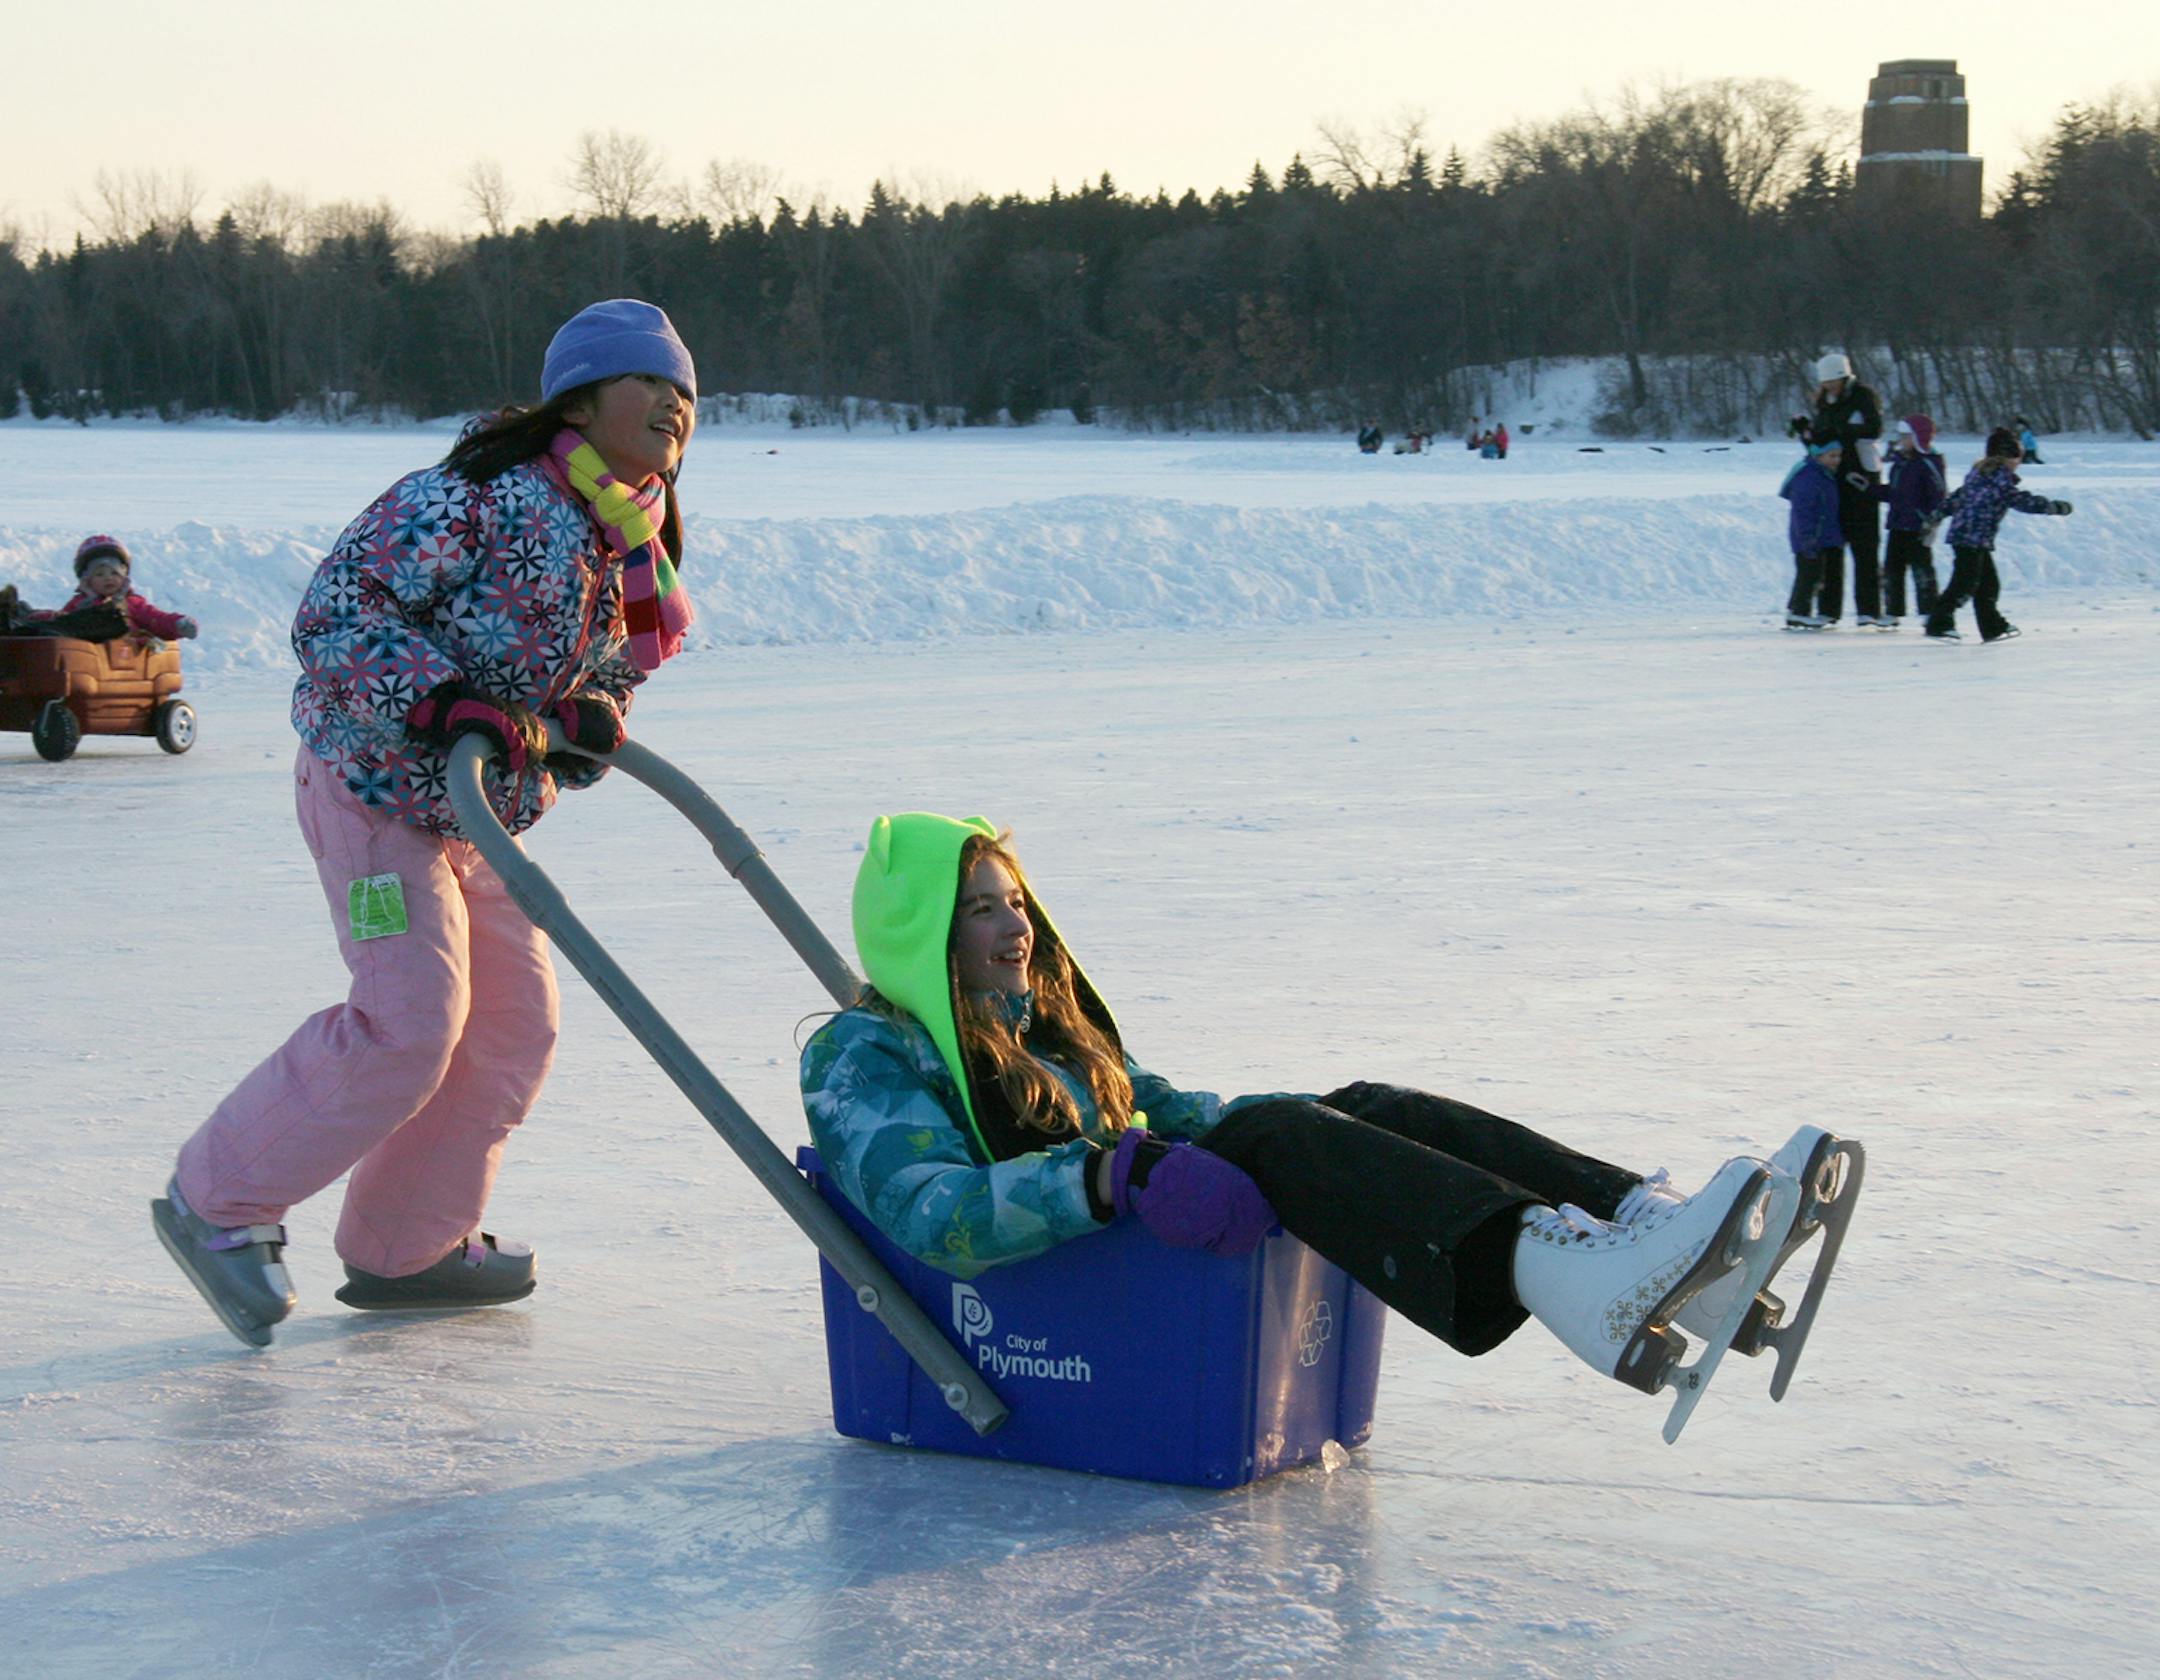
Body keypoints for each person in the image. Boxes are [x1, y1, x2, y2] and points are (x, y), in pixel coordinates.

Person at [799, 814, 1856, 1428]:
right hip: (1067, 1276)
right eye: (980, 905)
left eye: (1016, 900)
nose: (1014, 924)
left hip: (1121, 1230)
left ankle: (1659, 1244)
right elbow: (928, 1212)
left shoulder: (1048, 1029)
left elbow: (1167, 1109)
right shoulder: (866, 1054)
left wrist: (1317, 1124)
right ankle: (1573, 1279)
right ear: (922, 929)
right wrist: (1102, 1180)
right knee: (1282, 1139)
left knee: (1355, 1108)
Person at [152, 298, 700, 1347]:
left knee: (512, 1028)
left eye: (687, 392)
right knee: (414, 1018)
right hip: (373, 787)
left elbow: (612, 670)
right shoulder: (476, 496)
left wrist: (591, 717)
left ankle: (409, 1244)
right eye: (652, 383)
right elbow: (337, 611)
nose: (677, 405)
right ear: (581, 397)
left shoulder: (630, 535)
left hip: (476, 817)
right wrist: (439, 697)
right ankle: (215, 1201)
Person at [1924, 427, 2072, 644]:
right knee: (1964, 584)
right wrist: (2051, 507)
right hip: (1971, 539)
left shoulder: (1978, 474)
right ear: (2007, 457)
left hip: (1969, 537)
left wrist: (1936, 514)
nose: (2018, 462)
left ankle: (1992, 626)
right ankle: (1938, 623)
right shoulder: (2000, 478)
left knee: (1988, 584)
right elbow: (2021, 501)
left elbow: (1958, 498)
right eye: (2016, 457)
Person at [1795, 352, 1885, 626]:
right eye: (1825, 383)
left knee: (1865, 546)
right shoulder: (1825, 402)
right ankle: (1829, 609)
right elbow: (1821, 442)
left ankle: (1869, 609)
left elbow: (1874, 428)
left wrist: (1843, 431)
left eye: (1833, 382)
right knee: (1832, 546)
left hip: (1861, 479)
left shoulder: (1863, 396)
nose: (1829, 387)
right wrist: (1807, 432)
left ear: (1844, 378)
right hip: (1833, 482)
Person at [25, 537, 198, 642]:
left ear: (124, 575)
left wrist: (178, 624)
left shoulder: (130, 603)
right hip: (87, 664)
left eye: (114, 573)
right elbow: (64, 622)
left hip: (124, 661)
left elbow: (155, 619)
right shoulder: (80, 603)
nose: (108, 578)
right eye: (99, 574)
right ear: (87, 580)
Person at [1868, 416, 1948, 628]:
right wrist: (1870, 490)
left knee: (1922, 570)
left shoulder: (1929, 463)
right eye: (1901, 436)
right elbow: (1895, 492)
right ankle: (1893, 610)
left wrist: (1932, 521)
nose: (1901, 440)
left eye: (1906, 436)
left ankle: (1930, 610)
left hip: (1918, 526)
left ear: (1918, 437)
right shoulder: (1901, 463)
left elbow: (1939, 495)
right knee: (1892, 569)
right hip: (1897, 524)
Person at [1778, 440, 1845, 631]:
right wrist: (1807, 538)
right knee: (1809, 574)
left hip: (1824, 536)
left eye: (1838, 456)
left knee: (1818, 574)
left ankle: (1810, 612)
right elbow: (1804, 512)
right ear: (1818, 456)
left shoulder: (1823, 475)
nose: (1836, 461)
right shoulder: (1808, 477)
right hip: (1810, 538)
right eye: (1832, 456)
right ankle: (1798, 612)